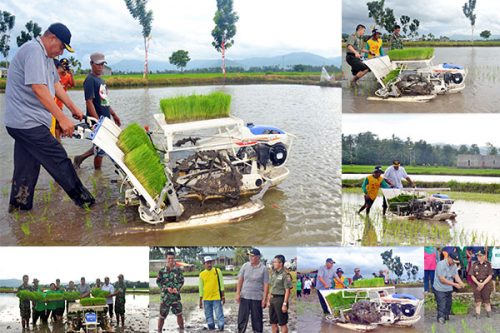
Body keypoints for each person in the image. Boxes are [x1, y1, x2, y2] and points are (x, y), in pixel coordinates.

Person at [4, 22, 95, 212]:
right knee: (58, 157)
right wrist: (61, 118)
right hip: (27, 122)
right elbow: (38, 87)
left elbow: (55, 85)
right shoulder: (33, 51)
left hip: (24, 123)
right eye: (61, 47)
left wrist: (73, 108)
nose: (61, 53)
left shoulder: (46, 58)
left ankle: (19, 208)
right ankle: (86, 203)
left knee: (26, 167)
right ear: (52, 38)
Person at [73, 52, 121, 169]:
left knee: (101, 146)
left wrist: (114, 115)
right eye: (98, 64)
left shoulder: (101, 81)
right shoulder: (90, 80)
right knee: (101, 148)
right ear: (91, 64)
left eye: (102, 65)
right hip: (97, 120)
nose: (100, 67)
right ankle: (98, 175)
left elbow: (105, 102)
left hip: (105, 119)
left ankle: (80, 159)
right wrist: (97, 121)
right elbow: (89, 102)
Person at [236, 248, 269, 333]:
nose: (250, 258)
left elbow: (266, 284)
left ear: (258, 257)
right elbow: (240, 280)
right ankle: (241, 331)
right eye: (249, 256)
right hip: (245, 296)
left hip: (257, 297)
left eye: (252, 256)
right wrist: (237, 293)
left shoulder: (263, 268)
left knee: (257, 319)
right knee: (242, 318)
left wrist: (264, 299)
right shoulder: (245, 266)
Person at [433, 252, 465, 324]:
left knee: (448, 303)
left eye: (455, 262)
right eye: (453, 261)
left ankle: (446, 315)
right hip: (439, 288)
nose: (454, 263)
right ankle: (440, 317)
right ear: (449, 258)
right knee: (442, 303)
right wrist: (454, 284)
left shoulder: (453, 265)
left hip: (448, 288)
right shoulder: (441, 264)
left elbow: (455, 276)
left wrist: (461, 282)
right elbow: (442, 279)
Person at [157, 252, 184, 332]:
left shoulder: (178, 270)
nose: (171, 260)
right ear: (166, 259)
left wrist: (177, 288)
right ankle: (159, 330)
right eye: (169, 258)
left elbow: (181, 281)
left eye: (172, 258)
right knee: (162, 316)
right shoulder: (162, 271)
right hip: (165, 298)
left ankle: (182, 330)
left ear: (174, 259)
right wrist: (166, 288)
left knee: (179, 314)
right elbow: (158, 282)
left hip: (175, 297)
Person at [267, 255, 292, 333]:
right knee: (273, 322)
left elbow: (287, 290)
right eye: (273, 262)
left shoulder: (286, 275)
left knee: (282, 323)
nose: (273, 263)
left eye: (275, 262)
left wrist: (284, 304)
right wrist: (268, 300)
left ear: (281, 263)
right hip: (272, 299)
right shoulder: (273, 273)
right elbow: (271, 287)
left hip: (280, 300)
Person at [199, 256, 225, 331]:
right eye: (207, 263)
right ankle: (211, 327)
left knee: (219, 314)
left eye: (210, 262)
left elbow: (222, 284)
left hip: (216, 297)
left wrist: (223, 296)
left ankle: (221, 326)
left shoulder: (217, 271)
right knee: (208, 315)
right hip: (206, 298)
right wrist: (200, 300)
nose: (209, 264)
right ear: (204, 264)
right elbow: (201, 288)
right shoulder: (202, 274)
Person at [52, 58, 75, 140]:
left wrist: (71, 74)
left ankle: (58, 141)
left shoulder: (67, 76)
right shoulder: (54, 75)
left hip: (59, 104)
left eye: (65, 65)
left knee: (58, 125)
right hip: (51, 103)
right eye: (62, 65)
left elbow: (73, 85)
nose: (64, 67)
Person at [471, 250, 493, 318]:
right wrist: (478, 283)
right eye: (478, 255)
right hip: (476, 284)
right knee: (478, 301)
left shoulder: (488, 264)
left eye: (480, 255)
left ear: (484, 256)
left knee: (487, 301)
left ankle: (489, 314)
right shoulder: (474, 264)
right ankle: (478, 314)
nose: (479, 257)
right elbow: (472, 275)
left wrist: (483, 283)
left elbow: (490, 275)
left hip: (486, 284)